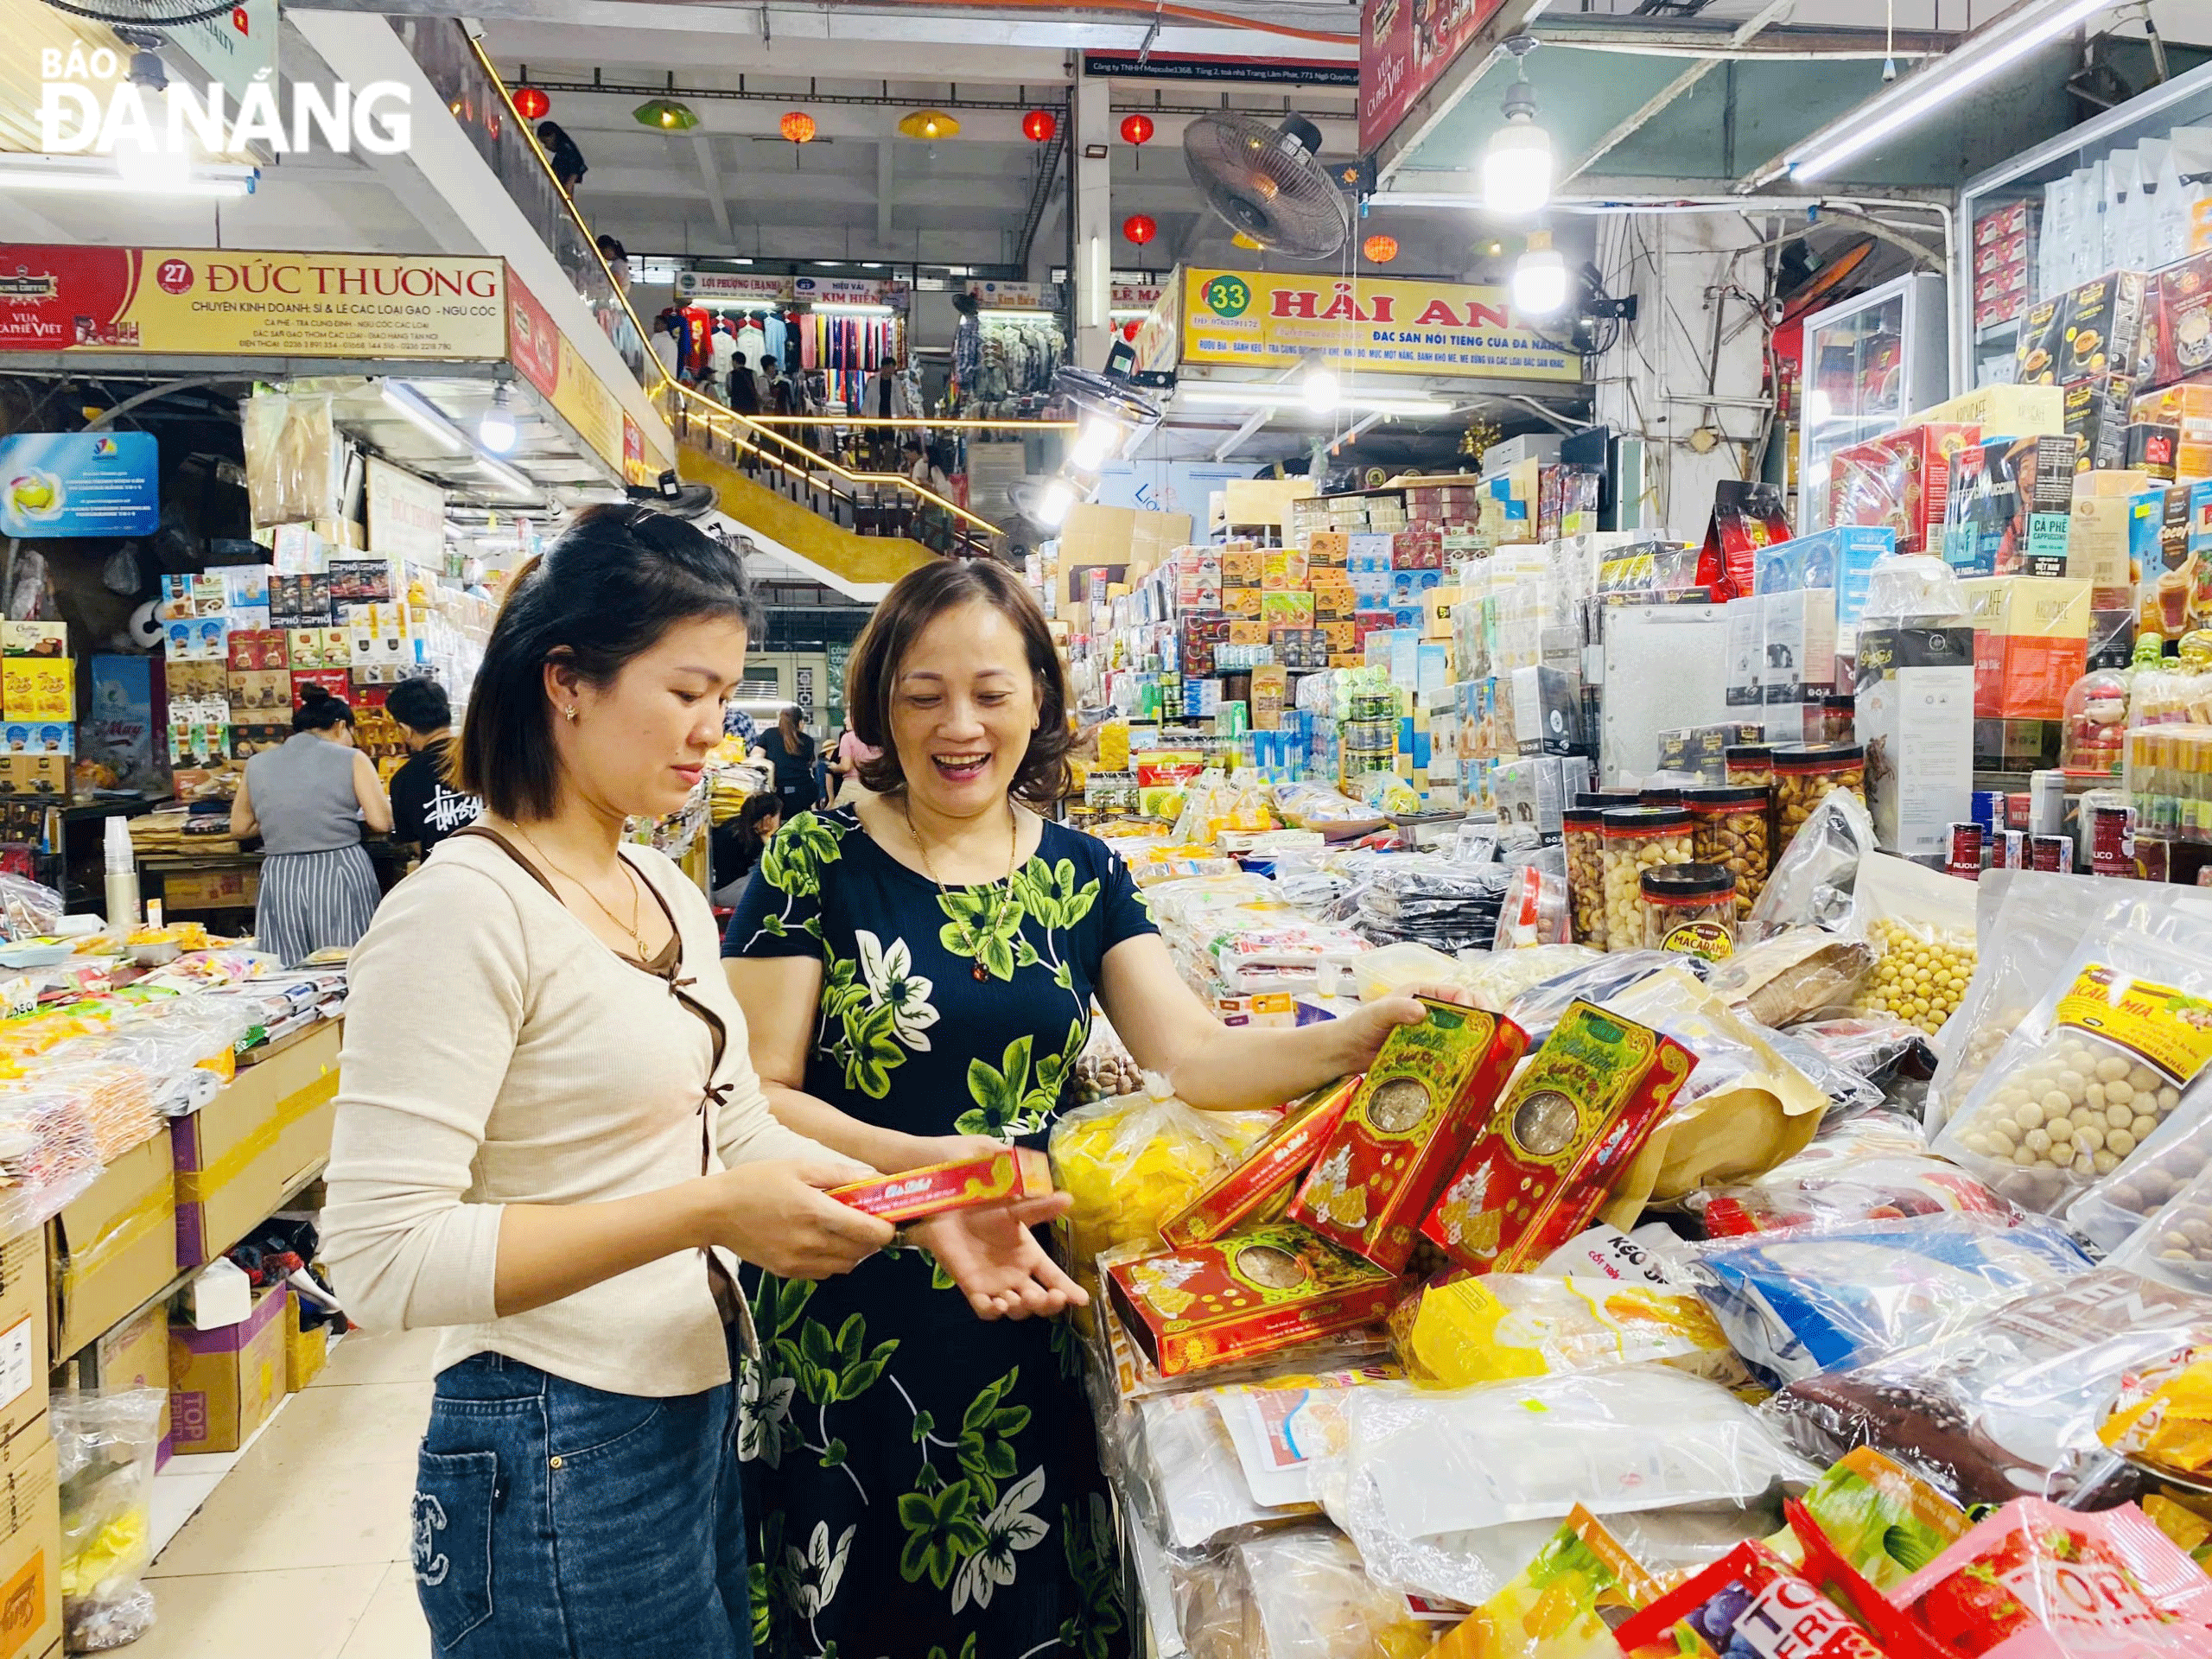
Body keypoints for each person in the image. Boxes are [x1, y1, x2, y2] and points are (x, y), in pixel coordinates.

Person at [321, 506, 1066, 1659]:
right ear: (565, 681)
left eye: (723, 695)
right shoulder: (463, 911)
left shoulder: (660, 891)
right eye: (686, 692)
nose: (714, 730)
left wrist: (925, 1213)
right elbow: (380, 1254)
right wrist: (710, 1215)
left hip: (693, 1404)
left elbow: (742, 1132)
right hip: (547, 1435)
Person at [721, 560, 1451, 1659]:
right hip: (859, 1302)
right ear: (878, 710)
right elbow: (757, 1092)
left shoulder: (1080, 870)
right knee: (881, 1597)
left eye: (990, 691)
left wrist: (1357, 1036)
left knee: (1034, 1603)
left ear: (1039, 702)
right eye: (922, 695)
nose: (958, 726)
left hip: (1037, 1305)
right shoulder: (811, 861)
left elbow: (1195, 1058)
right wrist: (936, 1167)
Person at [230, 686, 391, 964]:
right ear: (341, 726)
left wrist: (280, 819)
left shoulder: (257, 764)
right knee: (345, 963)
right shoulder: (353, 758)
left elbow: (239, 828)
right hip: (340, 869)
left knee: (286, 965)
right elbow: (381, 822)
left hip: (282, 875)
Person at [383, 677, 481, 855]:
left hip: (441, 876)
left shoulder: (404, 779)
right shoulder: (484, 758)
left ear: (405, 729)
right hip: (498, 871)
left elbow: (415, 845)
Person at [709, 792, 781, 904]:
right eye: (778, 817)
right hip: (727, 892)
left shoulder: (740, 824)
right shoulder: (752, 840)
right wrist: (765, 838)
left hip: (721, 885)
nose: (778, 823)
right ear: (768, 818)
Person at [755, 703, 817, 815]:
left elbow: (755, 758)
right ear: (800, 722)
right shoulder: (808, 740)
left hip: (781, 796)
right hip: (805, 793)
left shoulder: (769, 734)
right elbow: (809, 764)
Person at [858, 353, 911, 468]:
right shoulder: (873, 381)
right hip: (874, 416)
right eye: (890, 367)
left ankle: (887, 468)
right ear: (884, 367)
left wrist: (904, 415)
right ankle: (873, 468)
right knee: (873, 445)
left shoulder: (896, 383)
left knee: (889, 445)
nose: (892, 370)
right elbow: (868, 399)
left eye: (893, 368)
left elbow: (900, 400)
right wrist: (863, 414)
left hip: (889, 417)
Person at [950, 290, 982, 410]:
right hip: (970, 377)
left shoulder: (968, 326)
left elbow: (968, 353)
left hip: (971, 379)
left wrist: (963, 376)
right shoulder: (969, 326)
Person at [537, 119, 587, 192]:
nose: (546, 146)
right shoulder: (561, 153)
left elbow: (577, 165)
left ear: (553, 136)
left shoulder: (566, 149)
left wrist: (569, 184)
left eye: (546, 142)